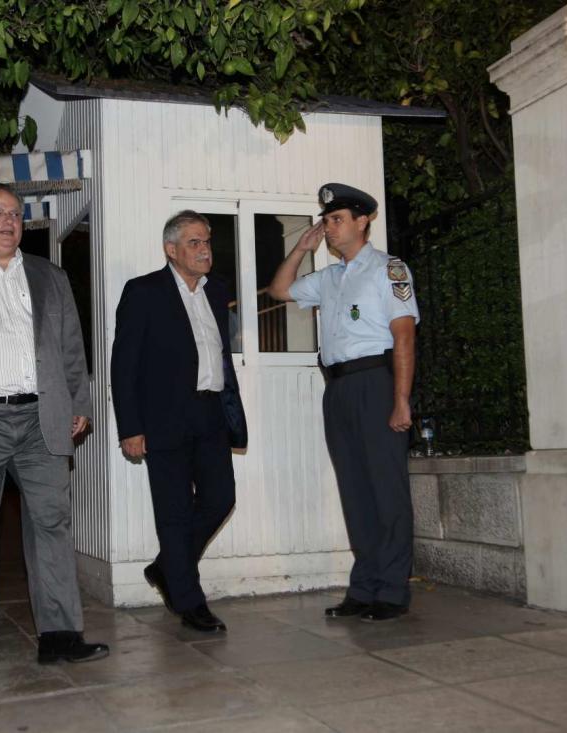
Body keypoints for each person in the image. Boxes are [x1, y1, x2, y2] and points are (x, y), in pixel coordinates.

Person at [0, 184, 108, 667]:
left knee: (52, 524)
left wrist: (79, 400)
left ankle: (59, 634)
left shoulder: (49, 274)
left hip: (41, 418)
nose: (9, 221)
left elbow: (71, 344)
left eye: (15, 213)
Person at [267, 182, 419, 623]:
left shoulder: (389, 269)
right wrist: (301, 249)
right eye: (327, 221)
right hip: (338, 389)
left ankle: (392, 590)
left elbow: (404, 337)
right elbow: (279, 291)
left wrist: (401, 400)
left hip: (376, 383)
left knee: (386, 491)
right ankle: (364, 587)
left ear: (363, 221)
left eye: (336, 220)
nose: (329, 228)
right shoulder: (330, 278)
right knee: (355, 491)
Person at [110, 210, 245, 633]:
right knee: (174, 511)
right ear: (171, 249)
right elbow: (123, 365)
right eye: (194, 242)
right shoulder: (143, 291)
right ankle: (189, 601)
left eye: (207, 241)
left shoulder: (216, 289)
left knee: (220, 498)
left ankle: (168, 566)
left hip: (211, 413)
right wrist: (130, 427)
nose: (205, 249)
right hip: (163, 419)